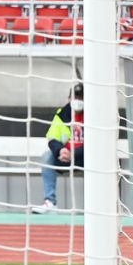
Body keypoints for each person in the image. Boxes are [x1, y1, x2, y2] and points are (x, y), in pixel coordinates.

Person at [35, 83, 83, 214]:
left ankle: (100, 206)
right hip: (65, 158)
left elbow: (97, 144)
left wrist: (74, 154)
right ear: (69, 99)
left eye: (81, 98)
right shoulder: (62, 114)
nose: (77, 101)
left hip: (87, 158)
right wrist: (60, 151)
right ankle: (50, 202)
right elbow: (52, 138)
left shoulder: (95, 115)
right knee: (47, 157)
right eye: (75, 97)